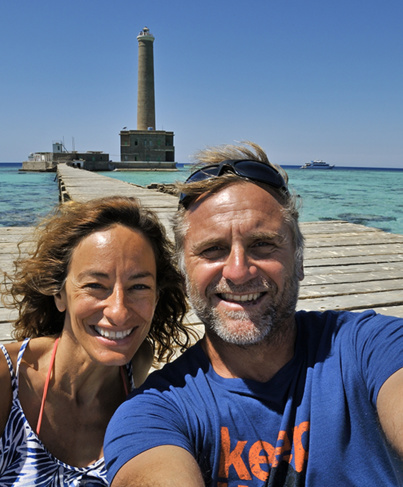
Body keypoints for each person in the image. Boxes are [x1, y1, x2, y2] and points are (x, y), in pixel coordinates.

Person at [104, 141, 403, 486]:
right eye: (213, 249)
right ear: (183, 271)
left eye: (262, 244)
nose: (237, 271)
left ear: (300, 259)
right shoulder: (154, 414)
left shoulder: (369, 347)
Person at [0, 196, 195, 486]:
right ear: (59, 294)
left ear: (157, 295)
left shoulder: (135, 363)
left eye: (139, 286)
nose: (118, 311)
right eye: (95, 286)